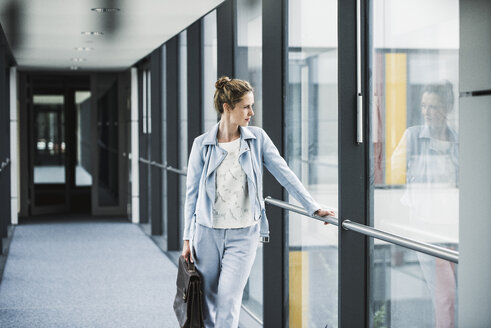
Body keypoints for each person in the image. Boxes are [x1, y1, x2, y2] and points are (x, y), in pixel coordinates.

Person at [181, 76, 335, 328]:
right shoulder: (202, 145)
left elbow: (285, 173)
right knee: (206, 303)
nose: (252, 112)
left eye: (252, 106)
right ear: (227, 107)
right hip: (206, 233)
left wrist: (312, 206)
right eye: (246, 106)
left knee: (229, 301)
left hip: (244, 235)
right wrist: (187, 237)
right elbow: (192, 194)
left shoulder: (257, 139)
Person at [391, 81, 458, 328]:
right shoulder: (413, 136)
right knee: (446, 295)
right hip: (427, 228)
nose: (427, 111)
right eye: (424, 106)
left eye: (434, 106)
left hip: (456, 226)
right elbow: (393, 173)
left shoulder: (458, 138)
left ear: (448, 107)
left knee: (454, 293)